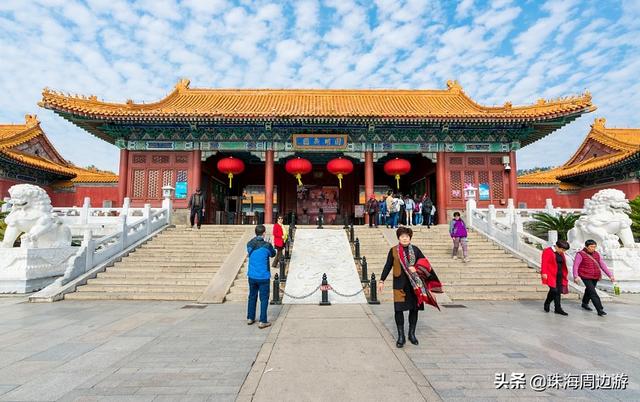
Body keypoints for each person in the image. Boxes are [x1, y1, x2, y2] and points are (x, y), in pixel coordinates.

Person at [379, 227, 437, 348]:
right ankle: (401, 336)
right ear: (398, 238)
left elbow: (425, 265)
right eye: (402, 236)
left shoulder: (415, 250)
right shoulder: (393, 251)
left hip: (415, 285)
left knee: (414, 309)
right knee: (398, 310)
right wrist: (381, 280)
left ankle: (411, 334)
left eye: (407, 236)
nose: (404, 238)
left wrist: (416, 268)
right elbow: (387, 265)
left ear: (410, 238)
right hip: (399, 285)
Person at [573, 239, 615, 316]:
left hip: (595, 276)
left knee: (589, 290)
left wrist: (610, 275)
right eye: (591, 247)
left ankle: (584, 303)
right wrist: (575, 276)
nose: (593, 248)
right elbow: (576, 266)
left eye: (594, 247)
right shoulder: (580, 254)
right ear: (586, 246)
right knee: (593, 292)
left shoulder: (597, 254)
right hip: (585, 275)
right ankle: (600, 309)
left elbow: (603, 265)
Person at [246, 224, 276, 328]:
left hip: (252, 275)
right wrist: (270, 244)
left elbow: (249, 252)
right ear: (264, 233)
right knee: (264, 298)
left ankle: (250, 318)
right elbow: (273, 254)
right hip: (263, 276)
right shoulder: (267, 245)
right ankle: (263, 320)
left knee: (252, 296)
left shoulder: (250, 244)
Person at [541, 240, 570, 315]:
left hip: (560, 274)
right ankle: (547, 302)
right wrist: (544, 272)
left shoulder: (561, 253)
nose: (563, 251)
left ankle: (558, 308)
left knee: (558, 291)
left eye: (564, 250)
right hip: (550, 274)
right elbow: (544, 262)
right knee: (554, 290)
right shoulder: (547, 251)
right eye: (562, 249)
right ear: (557, 246)